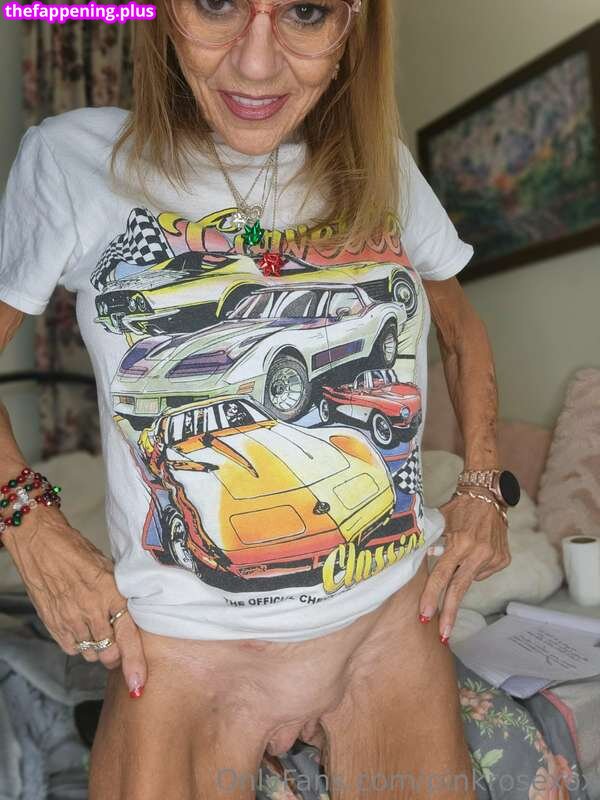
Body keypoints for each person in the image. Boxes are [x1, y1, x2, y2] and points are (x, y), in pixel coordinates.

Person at [0, 1, 519, 797]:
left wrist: (483, 485)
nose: (255, 62)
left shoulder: (380, 164)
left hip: (387, 627)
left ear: (353, 27)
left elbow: (459, 325)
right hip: (185, 653)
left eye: (306, 11)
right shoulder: (74, 158)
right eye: (217, 3)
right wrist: (29, 523)